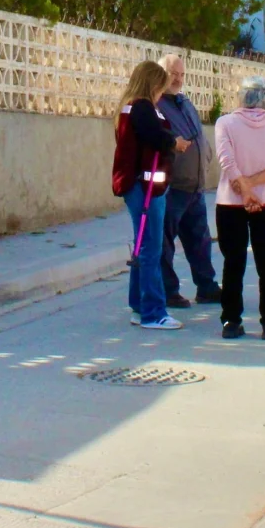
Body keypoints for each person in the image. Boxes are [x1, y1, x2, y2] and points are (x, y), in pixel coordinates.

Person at [112, 59, 188, 330]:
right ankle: (154, 312)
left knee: (143, 245)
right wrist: (174, 142)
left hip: (139, 186)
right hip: (145, 188)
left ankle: (139, 305)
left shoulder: (131, 107)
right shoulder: (142, 107)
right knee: (151, 247)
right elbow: (155, 136)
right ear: (152, 83)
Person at [214, 75, 265, 340]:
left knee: (233, 262)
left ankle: (231, 321)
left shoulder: (225, 123)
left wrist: (244, 187)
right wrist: (255, 187)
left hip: (230, 202)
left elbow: (226, 160)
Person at [157, 54, 221, 309]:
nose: (178, 79)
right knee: (165, 242)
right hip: (172, 186)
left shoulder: (184, 102)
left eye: (181, 74)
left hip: (195, 186)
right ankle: (168, 291)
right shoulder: (157, 105)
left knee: (200, 240)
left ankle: (206, 286)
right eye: (173, 73)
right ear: (161, 73)